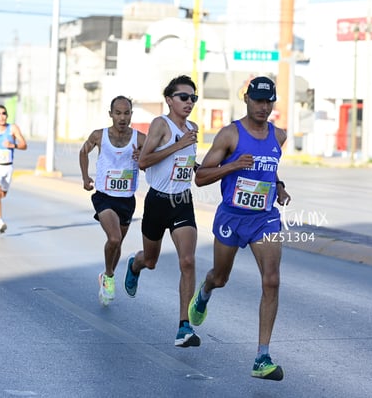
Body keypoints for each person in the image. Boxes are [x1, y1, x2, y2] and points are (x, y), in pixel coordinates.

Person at [187, 76, 291, 380]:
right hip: (232, 216)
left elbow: (269, 168)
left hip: (264, 218)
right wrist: (233, 165)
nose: (263, 107)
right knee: (221, 277)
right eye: (257, 100)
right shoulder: (230, 134)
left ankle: (262, 358)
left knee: (271, 281)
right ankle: (205, 292)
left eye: (268, 101)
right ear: (246, 100)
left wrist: (279, 186)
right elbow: (202, 176)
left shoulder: (279, 135)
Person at [124, 75, 200, 348]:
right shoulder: (160, 124)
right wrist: (178, 144)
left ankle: (184, 327)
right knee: (152, 260)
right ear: (169, 99)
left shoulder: (193, 127)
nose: (189, 102)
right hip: (157, 201)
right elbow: (144, 161)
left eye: (193, 98)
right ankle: (135, 263)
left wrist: (197, 166)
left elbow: (185, 161)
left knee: (188, 261)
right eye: (183, 97)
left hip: (182, 201)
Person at [79, 95, 146, 306]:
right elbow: (83, 151)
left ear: (131, 115)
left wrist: (141, 158)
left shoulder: (140, 138)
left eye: (126, 113)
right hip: (104, 197)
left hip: (126, 199)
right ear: (111, 114)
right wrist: (85, 177)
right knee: (114, 238)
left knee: (117, 245)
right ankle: (108, 275)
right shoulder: (99, 136)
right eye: (118, 113)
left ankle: (107, 275)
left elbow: (154, 158)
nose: (122, 117)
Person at [0, 105, 28, 233]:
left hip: (7, 167)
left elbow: (24, 145)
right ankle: (0, 222)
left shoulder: (13, 128)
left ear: (7, 116)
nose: (1, 116)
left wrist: (12, 145)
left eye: (3, 113)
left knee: (3, 194)